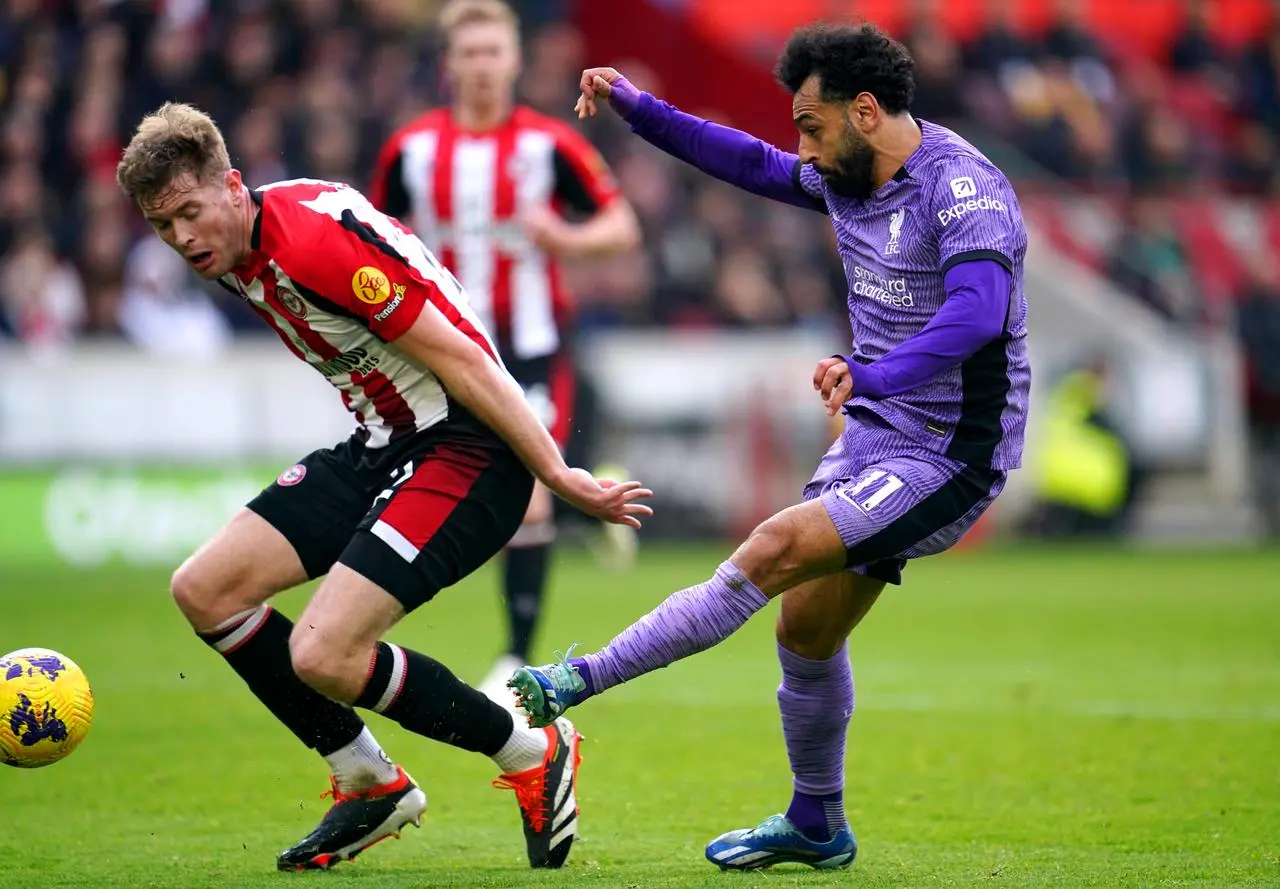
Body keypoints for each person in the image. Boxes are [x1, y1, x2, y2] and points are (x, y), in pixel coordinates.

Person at [511, 22, 1031, 872]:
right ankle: (817, 821)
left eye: (813, 127)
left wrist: (873, 374)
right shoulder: (847, 175)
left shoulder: (963, 187)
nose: (804, 150)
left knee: (774, 546)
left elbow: (977, 314)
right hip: (876, 434)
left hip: (949, 452)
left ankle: (577, 681)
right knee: (805, 631)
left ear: (866, 112)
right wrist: (639, 109)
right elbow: (747, 161)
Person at [114, 102, 651, 872]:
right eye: (165, 227)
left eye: (192, 214)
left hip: (468, 450)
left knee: (322, 652)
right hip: (383, 444)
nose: (184, 239)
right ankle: (368, 779)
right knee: (205, 588)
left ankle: (530, 749)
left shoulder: (314, 242)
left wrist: (557, 472)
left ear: (232, 186)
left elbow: (466, 360)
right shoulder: (233, 255)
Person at [369, 0, 642, 701]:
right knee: (448, 483)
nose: (484, 65)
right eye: (472, 53)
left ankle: (515, 653)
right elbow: (370, 238)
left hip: (529, 348)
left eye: (495, 52)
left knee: (528, 499)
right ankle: (588, 495)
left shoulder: (549, 144)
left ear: (516, 61)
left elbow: (620, 225)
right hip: (440, 348)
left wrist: (564, 238)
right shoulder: (411, 149)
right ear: (450, 64)